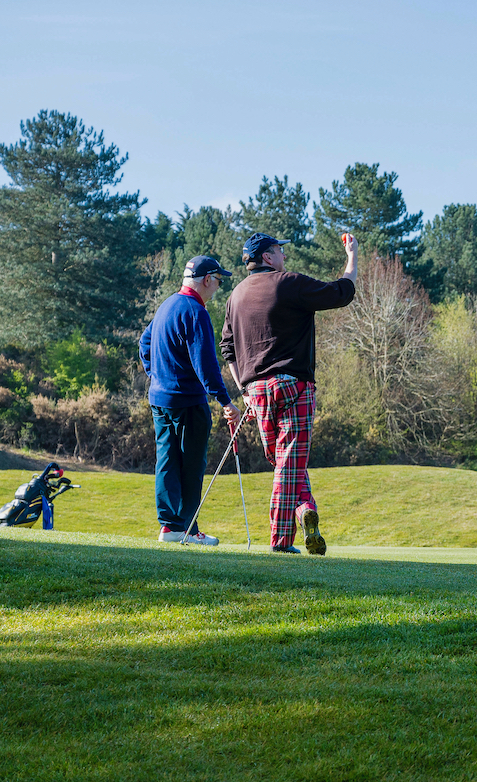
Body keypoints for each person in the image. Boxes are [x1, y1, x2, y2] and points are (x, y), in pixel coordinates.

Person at [221, 232, 358, 554]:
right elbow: (341, 293)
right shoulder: (289, 282)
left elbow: (227, 349)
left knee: (283, 461)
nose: (283, 256)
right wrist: (352, 256)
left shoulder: (235, 296)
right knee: (288, 464)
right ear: (267, 258)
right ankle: (281, 544)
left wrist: (243, 388)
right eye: (279, 251)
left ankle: (304, 508)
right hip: (293, 385)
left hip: (255, 389)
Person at [139, 255, 241, 546]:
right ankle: (186, 529)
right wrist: (226, 402)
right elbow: (206, 364)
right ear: (207, 280)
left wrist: (156, 373)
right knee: (192, 465)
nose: (218, 287)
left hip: (161, 399)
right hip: (187, 401)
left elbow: (144, 344)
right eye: (218, 281)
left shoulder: (167, 305)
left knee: (167, 462)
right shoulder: (196, 312)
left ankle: (171, 527)